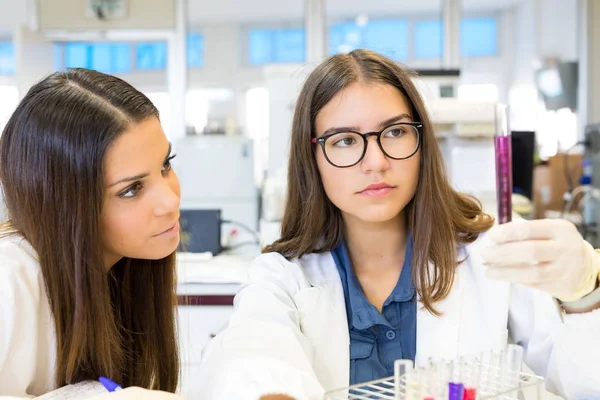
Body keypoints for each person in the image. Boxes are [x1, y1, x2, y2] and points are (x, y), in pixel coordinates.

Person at [197, 50, 600, 400]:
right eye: (344, 140)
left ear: (422, 143)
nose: (376, 161)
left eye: (395, 132)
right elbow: (251, 352)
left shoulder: (491, 257)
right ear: (312, 157)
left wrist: (585, 295)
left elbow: (584, 387)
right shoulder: (283, 277)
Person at [0, 69, 182, 399]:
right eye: (132, 189)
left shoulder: (124, 268)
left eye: (166, 164)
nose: (171, 201)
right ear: (65, 204)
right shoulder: (9, 280)